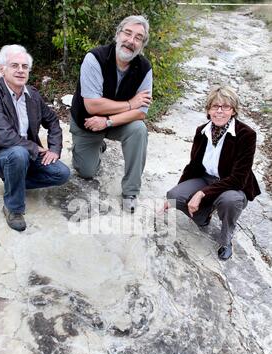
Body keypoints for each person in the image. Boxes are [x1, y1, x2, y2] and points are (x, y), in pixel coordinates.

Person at [0, 44, 70, 231]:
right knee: (18, 153)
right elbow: (4, 136)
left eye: (24, 66)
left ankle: (15, 181)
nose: (20, 70)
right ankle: (13, 207)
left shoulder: (32, 95)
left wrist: (54, 149)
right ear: (1, 69)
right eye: (14, 65)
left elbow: (52, 121)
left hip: (25, 153)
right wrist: (35, 148)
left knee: (62, 173)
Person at [166, 85, 261, 260]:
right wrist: (176, 192)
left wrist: (202, 193)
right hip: (206, 177)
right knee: (174, 196)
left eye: (225, 107)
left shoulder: (246, 134)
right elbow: (193, 166)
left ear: (233, 111)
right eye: (214, 106)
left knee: (229, 201)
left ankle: (226, 240)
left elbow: (238, 179)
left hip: (232, 184)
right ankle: (205, 215)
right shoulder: (202, 131)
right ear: (208, 110)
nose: (219, 111)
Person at [70, 15, 152, 213]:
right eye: (128, 33)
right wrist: (130, 103)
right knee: (86, 172)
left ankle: (131, 191)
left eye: (138, 38)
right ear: (117, 35)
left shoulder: (144, 68)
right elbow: (92, 106)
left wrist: (107, 122)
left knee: (139, 130)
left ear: (142, 44)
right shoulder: (94, 58)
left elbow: (141, 113)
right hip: (87, 122)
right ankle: (93, 147)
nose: (131, 41)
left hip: (112, 123)